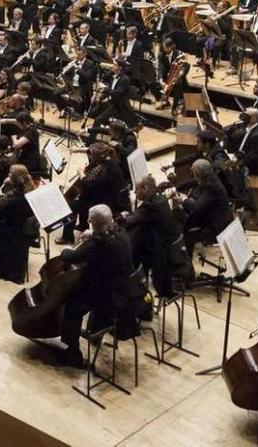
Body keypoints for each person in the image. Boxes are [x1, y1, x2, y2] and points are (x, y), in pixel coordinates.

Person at [57, 205, 135, 367]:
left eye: (90, 220)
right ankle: (95, 333)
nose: (88, 222)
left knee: (72, 307)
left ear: (94, 223)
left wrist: (65, 250)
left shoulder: (98, 244)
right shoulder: (120, 231)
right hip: (126, 290)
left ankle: (72, 355)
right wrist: (93, 234)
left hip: (110, 298)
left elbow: (71, 257)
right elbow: (103, 237)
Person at [121, 176, 181, 297]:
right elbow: (140, 215)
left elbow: (128, 222)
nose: (134, 192)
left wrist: (119, 219)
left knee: (128, 256)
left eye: (136, 189)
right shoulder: (160, 198)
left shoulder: (150, 206)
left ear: (146, 188)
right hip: (167, 251)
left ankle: (135, 293)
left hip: (158, 255)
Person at [57, 142, 126, 244]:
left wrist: (81, 174)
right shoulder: (111, 161)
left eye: (91, 156)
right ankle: (83, 225)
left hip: (106, 204)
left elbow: (88, 185)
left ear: (96, 157)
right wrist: (79, 150)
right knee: (83, 196)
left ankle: (67, 237)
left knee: (72, 205)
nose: (90, 158)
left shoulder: (102, 169)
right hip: (113, 199)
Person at [177, 159, 234, 255]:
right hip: (212, 214)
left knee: (189, 235)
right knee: (185, 217)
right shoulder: (209, 177)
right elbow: (192, 182)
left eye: (194, 171)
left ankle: (187, 264)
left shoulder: (212, 187)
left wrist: (183, 199)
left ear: (199, 174)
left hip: (217, 224)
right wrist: (176, 188)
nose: (191, 170)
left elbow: (195, 207)